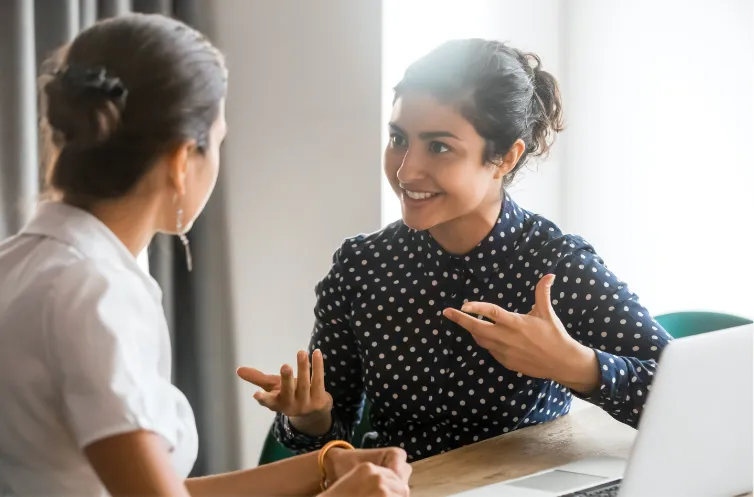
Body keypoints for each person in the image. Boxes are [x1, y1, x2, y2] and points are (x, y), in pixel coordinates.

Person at [0, 14, 411, 497]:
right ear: (180, 161)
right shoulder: (96, 295)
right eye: (217, 142)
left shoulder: (23, 261)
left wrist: (325, 467)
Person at [240, 39, 673, 462]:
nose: (407, 169)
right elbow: (329, 437)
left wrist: (575, 365)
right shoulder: (362, 266)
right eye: (398, 139)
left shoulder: (556, 266)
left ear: (504, 158)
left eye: (440, 146)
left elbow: (683, 400)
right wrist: (311, 418)